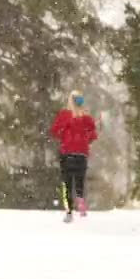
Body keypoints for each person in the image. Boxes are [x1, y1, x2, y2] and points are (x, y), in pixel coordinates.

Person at [49, 90, 98, 223]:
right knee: (79, 181)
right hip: (81, 153)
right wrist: (84, 140)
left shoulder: (64, 115)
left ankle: (69, 211)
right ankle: (81, 201)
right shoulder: (87, 118)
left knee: (67, 183)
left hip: (67, 153)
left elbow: (54, 131)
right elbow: (93, 135)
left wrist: (65, 135)